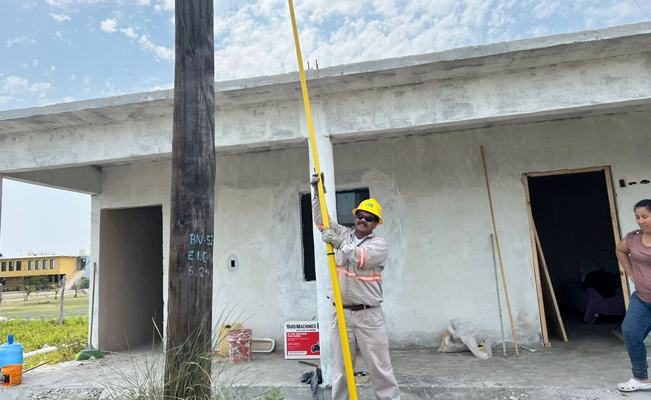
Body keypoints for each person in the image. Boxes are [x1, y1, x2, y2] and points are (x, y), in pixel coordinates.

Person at [311, 173, 400, 400]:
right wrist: (317, 193)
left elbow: (361, 257)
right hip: (340, 313)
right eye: (360, 215)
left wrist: (339, 243)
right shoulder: (344, 232)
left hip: (368, 315)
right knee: (342, 372)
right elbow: (322, 222)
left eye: (369, 218)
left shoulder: (379, 244)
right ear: (355, 217)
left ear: (375, 223)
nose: (363, 220)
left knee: (380, 370)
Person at [617, 199, 651, 392]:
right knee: (631, 333)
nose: (640, 221)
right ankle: (640, 378)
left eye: (645, 216)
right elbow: (620, 250)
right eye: (637, 217)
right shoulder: (633, 238)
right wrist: (631, 273)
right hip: (642, 298)